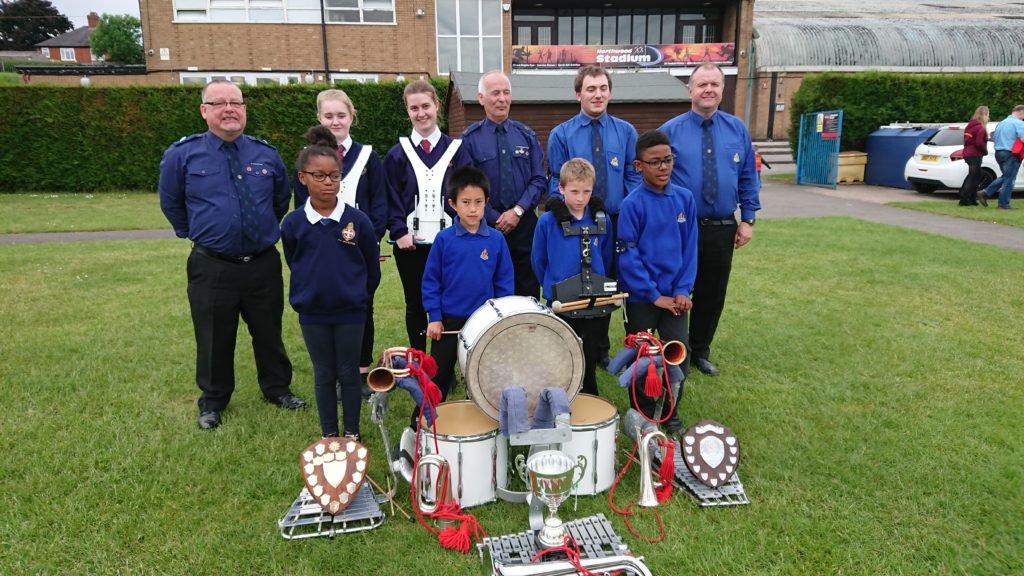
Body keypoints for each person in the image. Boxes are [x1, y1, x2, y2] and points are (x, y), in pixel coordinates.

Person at [158, 80, 306, 430]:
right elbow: (171, 202)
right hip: (212, 265)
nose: (229, 109)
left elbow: (278, 201)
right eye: (219, 103)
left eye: (236, 103)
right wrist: (194, 232)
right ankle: (213, 401)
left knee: (269, 331)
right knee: (213, 336)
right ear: (204, 111)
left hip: (261, 263)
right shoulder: (183, 155)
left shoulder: (265, 155)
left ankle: (276, 388)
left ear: (244, 109)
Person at [659, 62, 760, 378]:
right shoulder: (670, 131)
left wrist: (749, 219)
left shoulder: (736, 130)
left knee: (712, 292)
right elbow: (656, 178)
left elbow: (747, 175)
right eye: (702, 84)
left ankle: (700, 351)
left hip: (721, 228)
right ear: (690, 90)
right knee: (677, 290)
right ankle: (676, 350)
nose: (709, 90)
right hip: (681, 229)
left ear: (722, 90)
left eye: (714, 84)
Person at [281, 126, 381, 441]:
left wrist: (358, 297)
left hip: (351, 312)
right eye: (320, 176)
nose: (328, 183)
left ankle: (351, 433)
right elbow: (293, 259)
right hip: (313, 313)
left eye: (334, 176)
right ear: (303, 178)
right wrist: (310, 293)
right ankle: (329, 435)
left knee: (349, 373)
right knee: (324, 374)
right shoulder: (294, 223)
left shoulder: (358, 221)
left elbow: (370, 269)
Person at [295, 89, 387, 397]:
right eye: (328, 115)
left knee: (363, 308)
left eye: (341, 115)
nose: (335, 121)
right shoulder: (309, 159)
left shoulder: (367, 156)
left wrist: (368, 239)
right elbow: (298, 210)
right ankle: (331, 373)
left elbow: (379, 202)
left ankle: (360, 372)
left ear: (352, 117)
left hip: (358, 250)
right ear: (319, 118)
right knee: (323, 311)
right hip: (321, 251)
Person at [547, 65, 641, 367]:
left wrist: (629, 213)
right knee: (583, 283)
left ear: (609, 92)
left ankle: (602, 349)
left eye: (602, 88)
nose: (597, 94)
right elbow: (555, 180)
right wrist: (564, 217)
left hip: (614, 220)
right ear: (578, 94)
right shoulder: (561, 134)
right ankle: (577, 344)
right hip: (578, 224)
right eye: (591, 89)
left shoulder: (626, 132)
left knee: (610, 283)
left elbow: (631, 175)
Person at [384, 80, 474, 354]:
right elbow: (390, 197)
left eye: (426, 106)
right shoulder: (397, 154)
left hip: (450, 243)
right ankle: (420, 361)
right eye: (414, 108)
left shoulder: (457, 150)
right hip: (411, 246)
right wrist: (399, 231)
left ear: (436, 105)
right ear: (407, 111)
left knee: (451, 302)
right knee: (416, 302)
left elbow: (468, 193)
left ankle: (447, 361)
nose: (421, 113)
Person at [616, 130, 697, 430]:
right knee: (643, 356)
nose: (663, 167)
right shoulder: (632, 204)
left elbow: (689, 249)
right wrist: (653, 295)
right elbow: (628, 256)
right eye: (654, 162)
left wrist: (682, 289)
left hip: (675, 298)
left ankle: (670, 412)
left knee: (677, 355)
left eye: (668, 160)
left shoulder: (685, 199)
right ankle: (644, 414)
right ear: (639, 166)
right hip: (642, 298)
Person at [420, 166, 514, 424]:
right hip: (449, 322)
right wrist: (435, 317)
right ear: (453, 204)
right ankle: (421, 424)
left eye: (478, 202)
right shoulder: (443, 240)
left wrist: (500, 317)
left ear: (486, 203)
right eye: (466, 202)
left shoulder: (496, 240)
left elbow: (504, 283)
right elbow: (431, 282)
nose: (473, 209)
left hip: (484, 323)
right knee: (437, 376)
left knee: (487, 376)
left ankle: (489, 425)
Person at [531, 158, 613, 397]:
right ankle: (559, 395)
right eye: (574, 191)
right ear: (561, 188)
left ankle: (589, 393)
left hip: (594, 301)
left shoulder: (602, 219)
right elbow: (539, 260)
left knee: (589, 351)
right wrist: (552, 283)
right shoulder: (547, 221)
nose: (580, 198)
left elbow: (605, 256)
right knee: (561, 350)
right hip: (561, 301)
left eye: (586, 192)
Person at [460, 70, 545, 298]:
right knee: (488, 291)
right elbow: (467, 187)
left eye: (506, 93)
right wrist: (494, 217)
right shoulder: (469, 140)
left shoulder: (526, 136)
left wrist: (516, 212)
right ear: (481, 98)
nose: (502, 99)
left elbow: (539, 179)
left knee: (527, 292)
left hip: (524, 225)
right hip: (487, 227)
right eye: (495, 93)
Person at [979, 105, 1024, 209]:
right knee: (1009, 179)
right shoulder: (1019, 123)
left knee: (1006, 176)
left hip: (999, 152)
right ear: (1021, 112)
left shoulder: (1002, 123)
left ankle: (985, 193)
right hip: (1011, 153)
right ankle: (1003, 204)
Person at [959, 106, 990, 207]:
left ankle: (971, 198)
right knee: (973, 176)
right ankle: (964, 199)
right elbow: (979, 143)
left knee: (976, 175)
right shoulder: (980, 128)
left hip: (968, 153)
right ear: (985, 114)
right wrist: (985, 151)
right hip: (975, 154)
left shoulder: (970, 126)